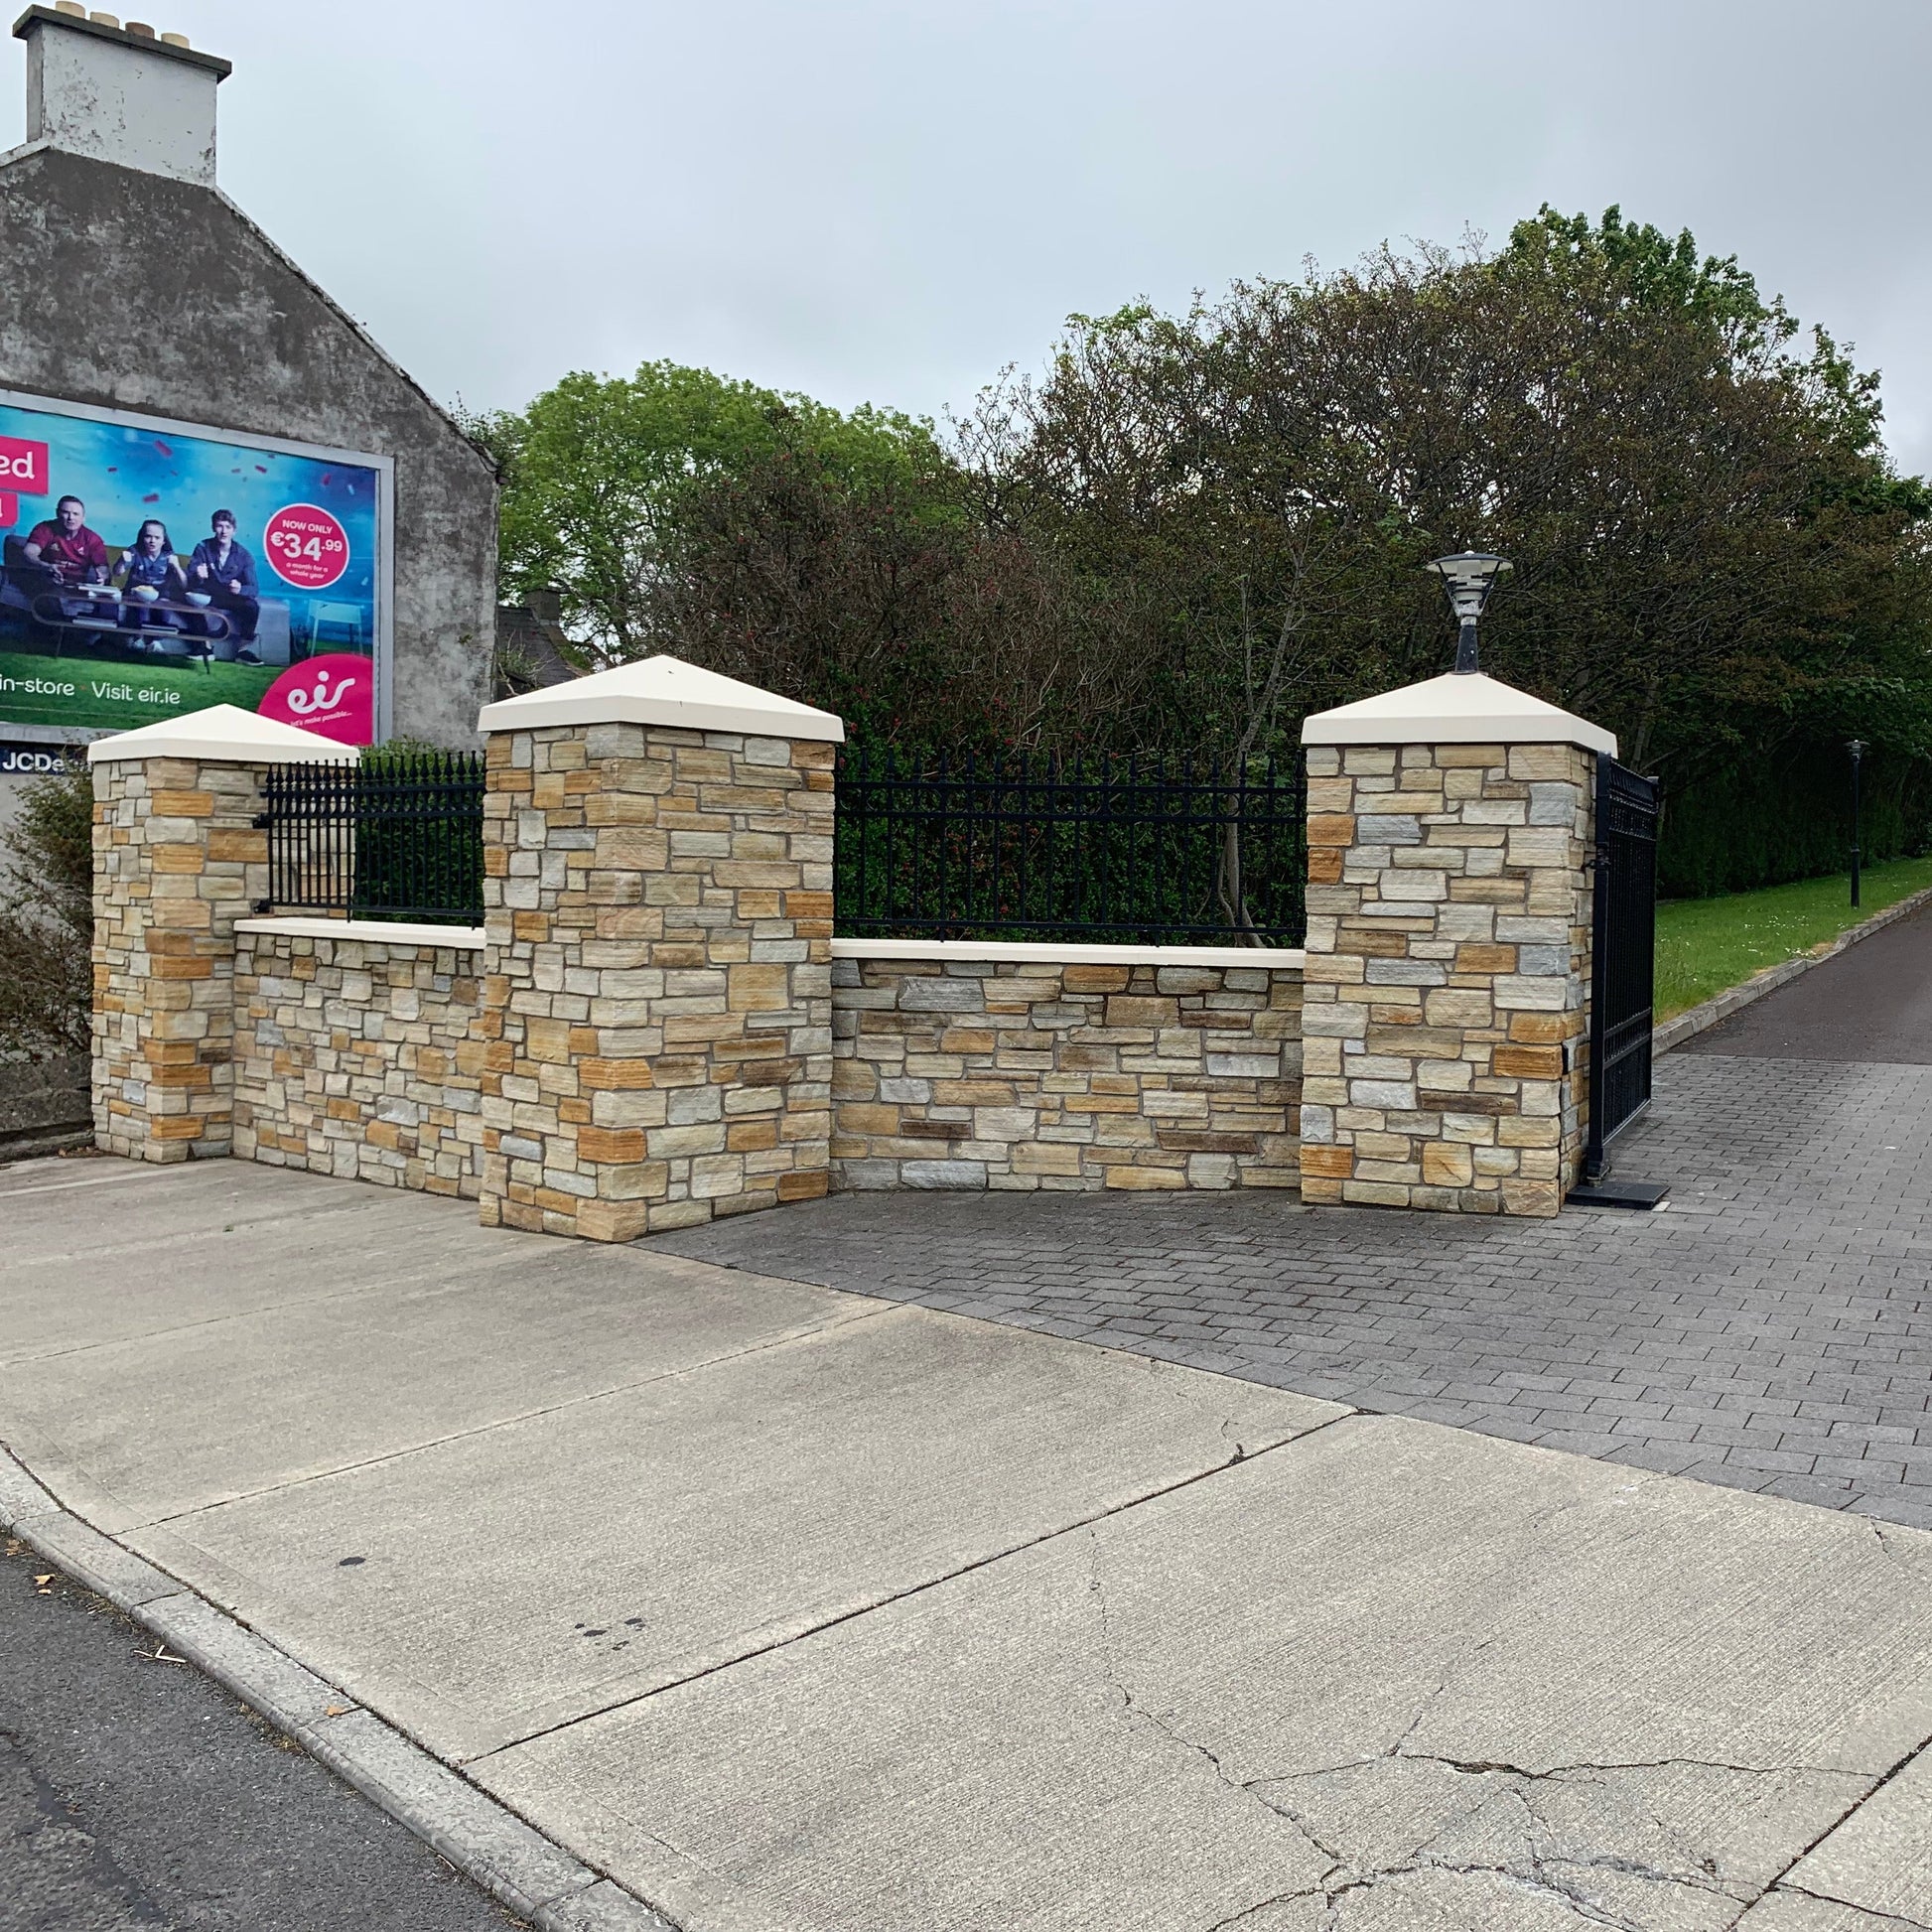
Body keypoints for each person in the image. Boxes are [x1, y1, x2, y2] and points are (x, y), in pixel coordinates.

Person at [186, 508, 259, 647]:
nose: (224, 531)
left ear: (234, 531)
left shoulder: (244, 555)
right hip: (208, 594)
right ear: (213, 528)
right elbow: (190, 579)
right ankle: (202, 645)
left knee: (252, 606)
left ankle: (244, 649)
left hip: (230, 596)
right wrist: (197, 574)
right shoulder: (202, 547)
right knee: (192, 598)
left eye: (228, 527)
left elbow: (254, 589)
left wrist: (240, 589)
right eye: (220, 526)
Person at [115, 517, 188, 643]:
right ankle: (138, 640)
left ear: (163, 540)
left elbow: (184, 585)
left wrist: (176, 567)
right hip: (135, 595)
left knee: (164, 609)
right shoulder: (134, 551)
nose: (152, 541)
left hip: (161, 596)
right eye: (148, 536)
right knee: (142, 608)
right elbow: (117, 573)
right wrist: (122, 561)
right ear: (142, 538)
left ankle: (156, 642)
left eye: (157, 538)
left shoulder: (168, 556)